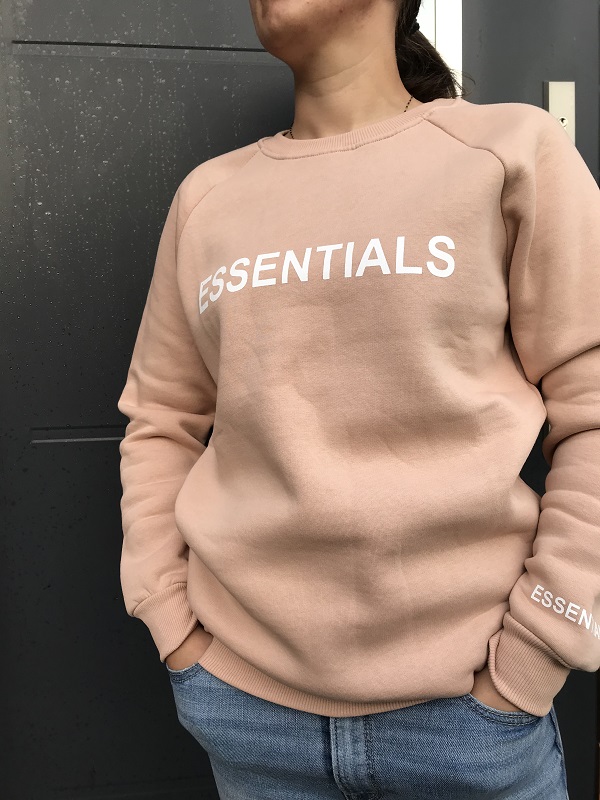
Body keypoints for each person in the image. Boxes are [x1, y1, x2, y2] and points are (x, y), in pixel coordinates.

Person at [116, 0, 599, 796]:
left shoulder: (510, 150)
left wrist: (537, 649)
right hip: (245, 709)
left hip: (470, 717)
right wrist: (172, 624)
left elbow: (591, 408)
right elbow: (160, 422)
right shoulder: (208, 198)